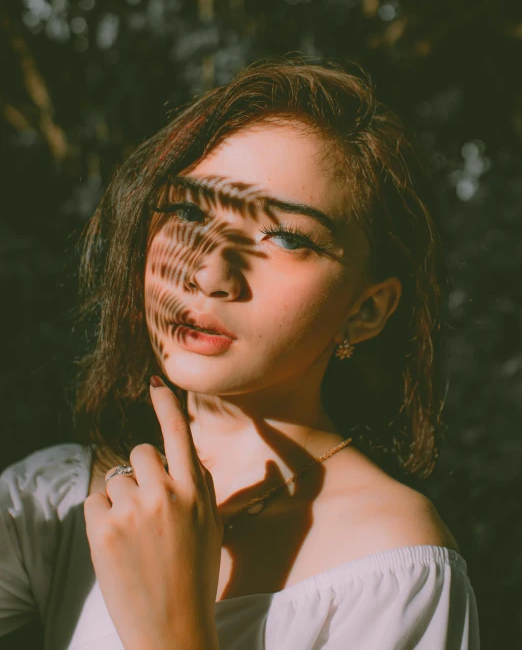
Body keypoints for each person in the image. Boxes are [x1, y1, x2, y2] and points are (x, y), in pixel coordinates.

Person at [0, 58, 480, 649]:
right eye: (188, 211)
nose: (208, 271)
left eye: (287, 238)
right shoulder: (55, 499)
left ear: (367, 310)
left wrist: (171, 631)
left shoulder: (396, 567)